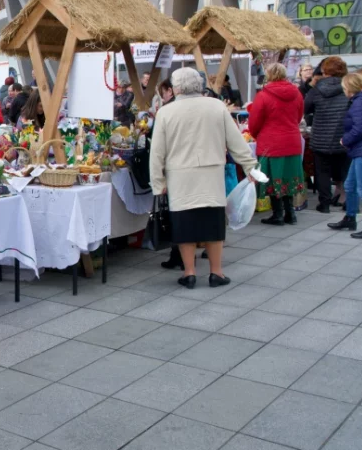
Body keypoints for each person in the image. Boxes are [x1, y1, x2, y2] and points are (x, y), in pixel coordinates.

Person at [150, 68, 258, 288]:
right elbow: (236, 142)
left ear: (176, 87)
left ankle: (189, 273)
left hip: (180, 175)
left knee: (184, 223)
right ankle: (216, 273)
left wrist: (157, 182)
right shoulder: (216, 106)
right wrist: (250, 166)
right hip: (211, 172)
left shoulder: (166, 112)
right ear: (199, 85)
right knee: (213, 223)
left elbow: (157, 152)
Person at [247, 63, 305, 225]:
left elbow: (254, 122)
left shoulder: (264, 95)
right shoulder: (297, 93)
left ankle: (278, 214)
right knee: (288, 177)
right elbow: (298, 117)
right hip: (291, 141)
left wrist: (257, 134)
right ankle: (290, 213)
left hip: (270, 142)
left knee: (272, 178)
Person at [328, 73, 362, 239]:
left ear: (349, 88)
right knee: (350, 185)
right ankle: (350, 218)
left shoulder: (359, 102)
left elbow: (360, 129)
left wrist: (345, 140)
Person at [305, 57, 350, 213]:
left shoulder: (317, 89)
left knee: (322, 172)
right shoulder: (347, 87)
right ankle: (348, 202)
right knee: (345, 171)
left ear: (324, 71)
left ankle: (324, 204)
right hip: (343, 137)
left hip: (321, 136)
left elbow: (306, 107)